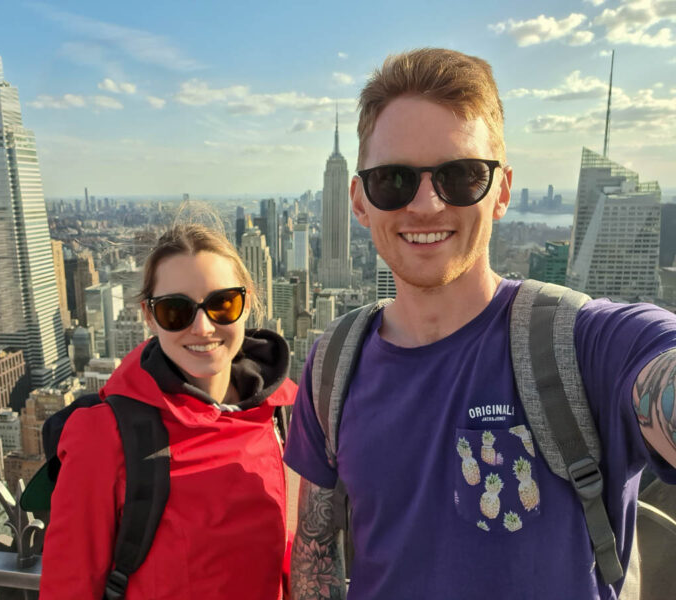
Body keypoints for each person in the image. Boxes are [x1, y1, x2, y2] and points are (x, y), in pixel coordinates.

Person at [284, 48, 676, 600]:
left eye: (461, 175)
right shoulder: (332, 365)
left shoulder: (580, 344)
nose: (425, 206)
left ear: (502, 191)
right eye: (394, 180)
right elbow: (316, 548)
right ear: (359, 200)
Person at [39, 224, 297, 599]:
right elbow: (69, 589)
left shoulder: (287, 414)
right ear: (148, 315)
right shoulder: (105, 434)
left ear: (248, 301)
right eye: (176, 311)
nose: (203, 327)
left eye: (223, 304)